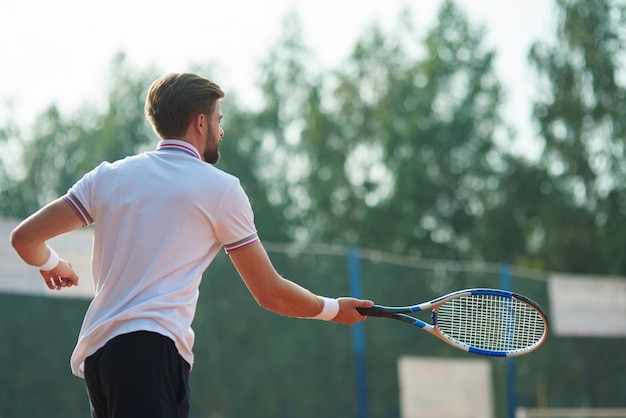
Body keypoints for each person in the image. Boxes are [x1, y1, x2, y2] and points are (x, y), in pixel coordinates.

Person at [10, 72, 374, 418]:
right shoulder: (221, 189)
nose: (222, 129)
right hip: (151, 352)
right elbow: (270, 293)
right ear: (200, 123)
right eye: (219, 119)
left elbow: (25, 239)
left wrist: (52, 264)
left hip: (100, 361)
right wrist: (332, 309)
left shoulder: (107, 176)